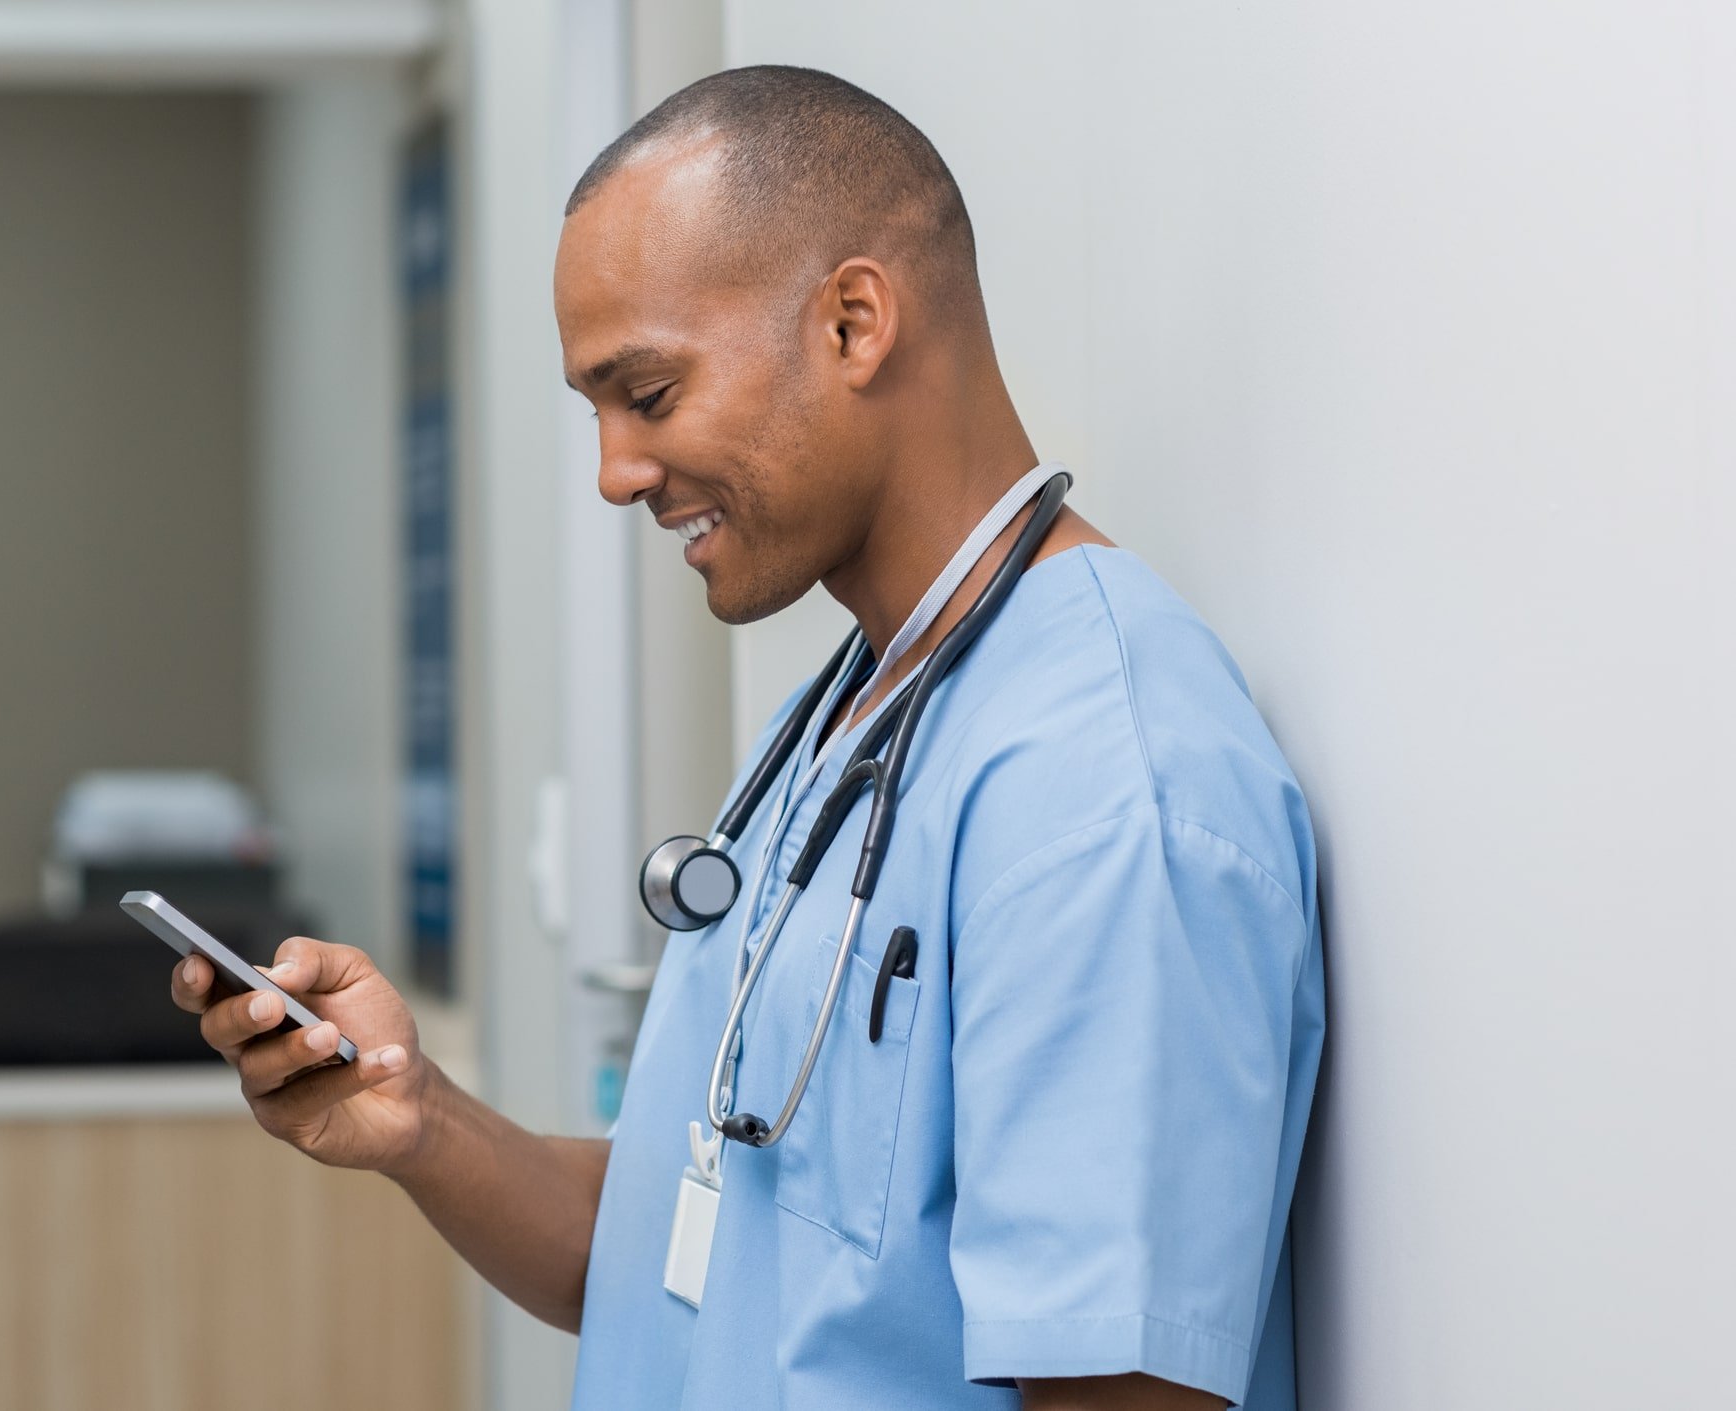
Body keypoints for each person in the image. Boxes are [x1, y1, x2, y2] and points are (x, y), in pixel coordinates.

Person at [172, 66, 1324, 1411]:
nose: (613, 471)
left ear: (850, 322)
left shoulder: (1099, 784)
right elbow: (694, 1254)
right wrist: (417, 1119)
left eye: (646, 394)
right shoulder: (845, 724)